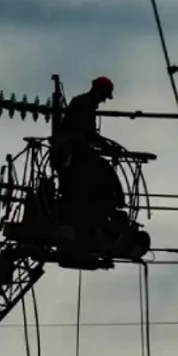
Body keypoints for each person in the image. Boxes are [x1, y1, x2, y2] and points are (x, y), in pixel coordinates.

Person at [50, 77, 124, 241]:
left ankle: (101, 213)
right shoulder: (83, 105)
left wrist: (105, 146)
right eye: (104, 96)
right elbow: (83, 134)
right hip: (69, 155)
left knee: (100, 173)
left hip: (74, 153)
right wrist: (106, 147)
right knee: (96, 176)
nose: (104, 100)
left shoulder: (85, 104)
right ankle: (91, 217)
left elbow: (88, 135)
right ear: (98, 91)